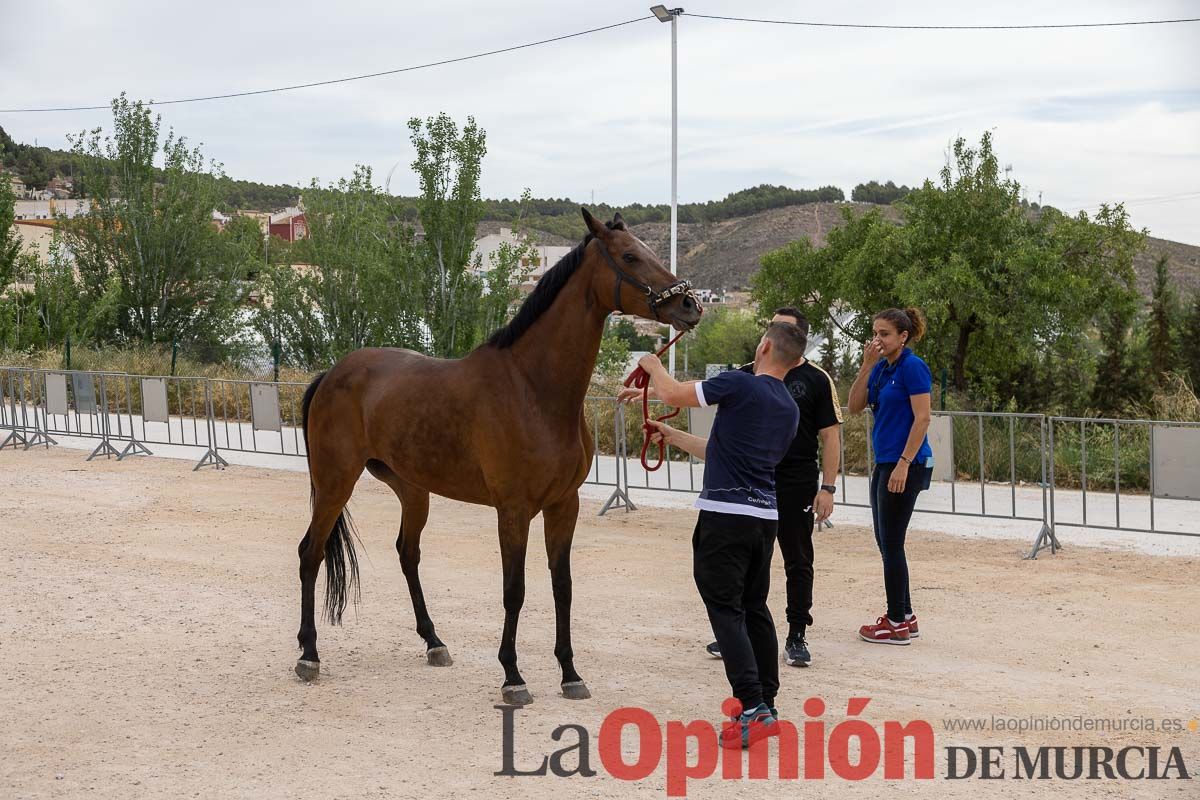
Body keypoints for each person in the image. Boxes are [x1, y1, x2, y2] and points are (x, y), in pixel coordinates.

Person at [623, 308, 842, 666]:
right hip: (754, 492)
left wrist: (828, 488)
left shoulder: (815, 380)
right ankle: (738, 641)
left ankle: (796, 633)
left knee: (797, 560)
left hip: (789, 484)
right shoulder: (746, 377)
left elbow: (831, 436)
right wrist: (664, 416)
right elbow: (716, 436)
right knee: (748, 584)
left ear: (784, 341)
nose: (769, 335)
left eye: (779, 329)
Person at [633, 322, 804, 749]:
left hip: (724, 517)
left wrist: (653, 365)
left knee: (725, 609)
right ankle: (767, 702)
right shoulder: (789, 408)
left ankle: (751, 708)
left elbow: (672, 394)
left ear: (763, 347)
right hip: (764, 517)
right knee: (754, 607)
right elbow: (722, 450)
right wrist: (672, 437)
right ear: (797, 360)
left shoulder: (740, 384)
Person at [846, 307, 934, 646]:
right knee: (885, 542)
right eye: (875, 333)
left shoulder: (913, 367)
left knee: (892, 543)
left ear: (903, 336)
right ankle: (905, 614)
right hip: (885, 462)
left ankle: (895, 621)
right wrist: (867, 365)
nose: (878, 340)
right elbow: (854, 407)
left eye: (884, 334)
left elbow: (923, 418)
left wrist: (903, 462)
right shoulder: (882, 369)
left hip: (905, 464)